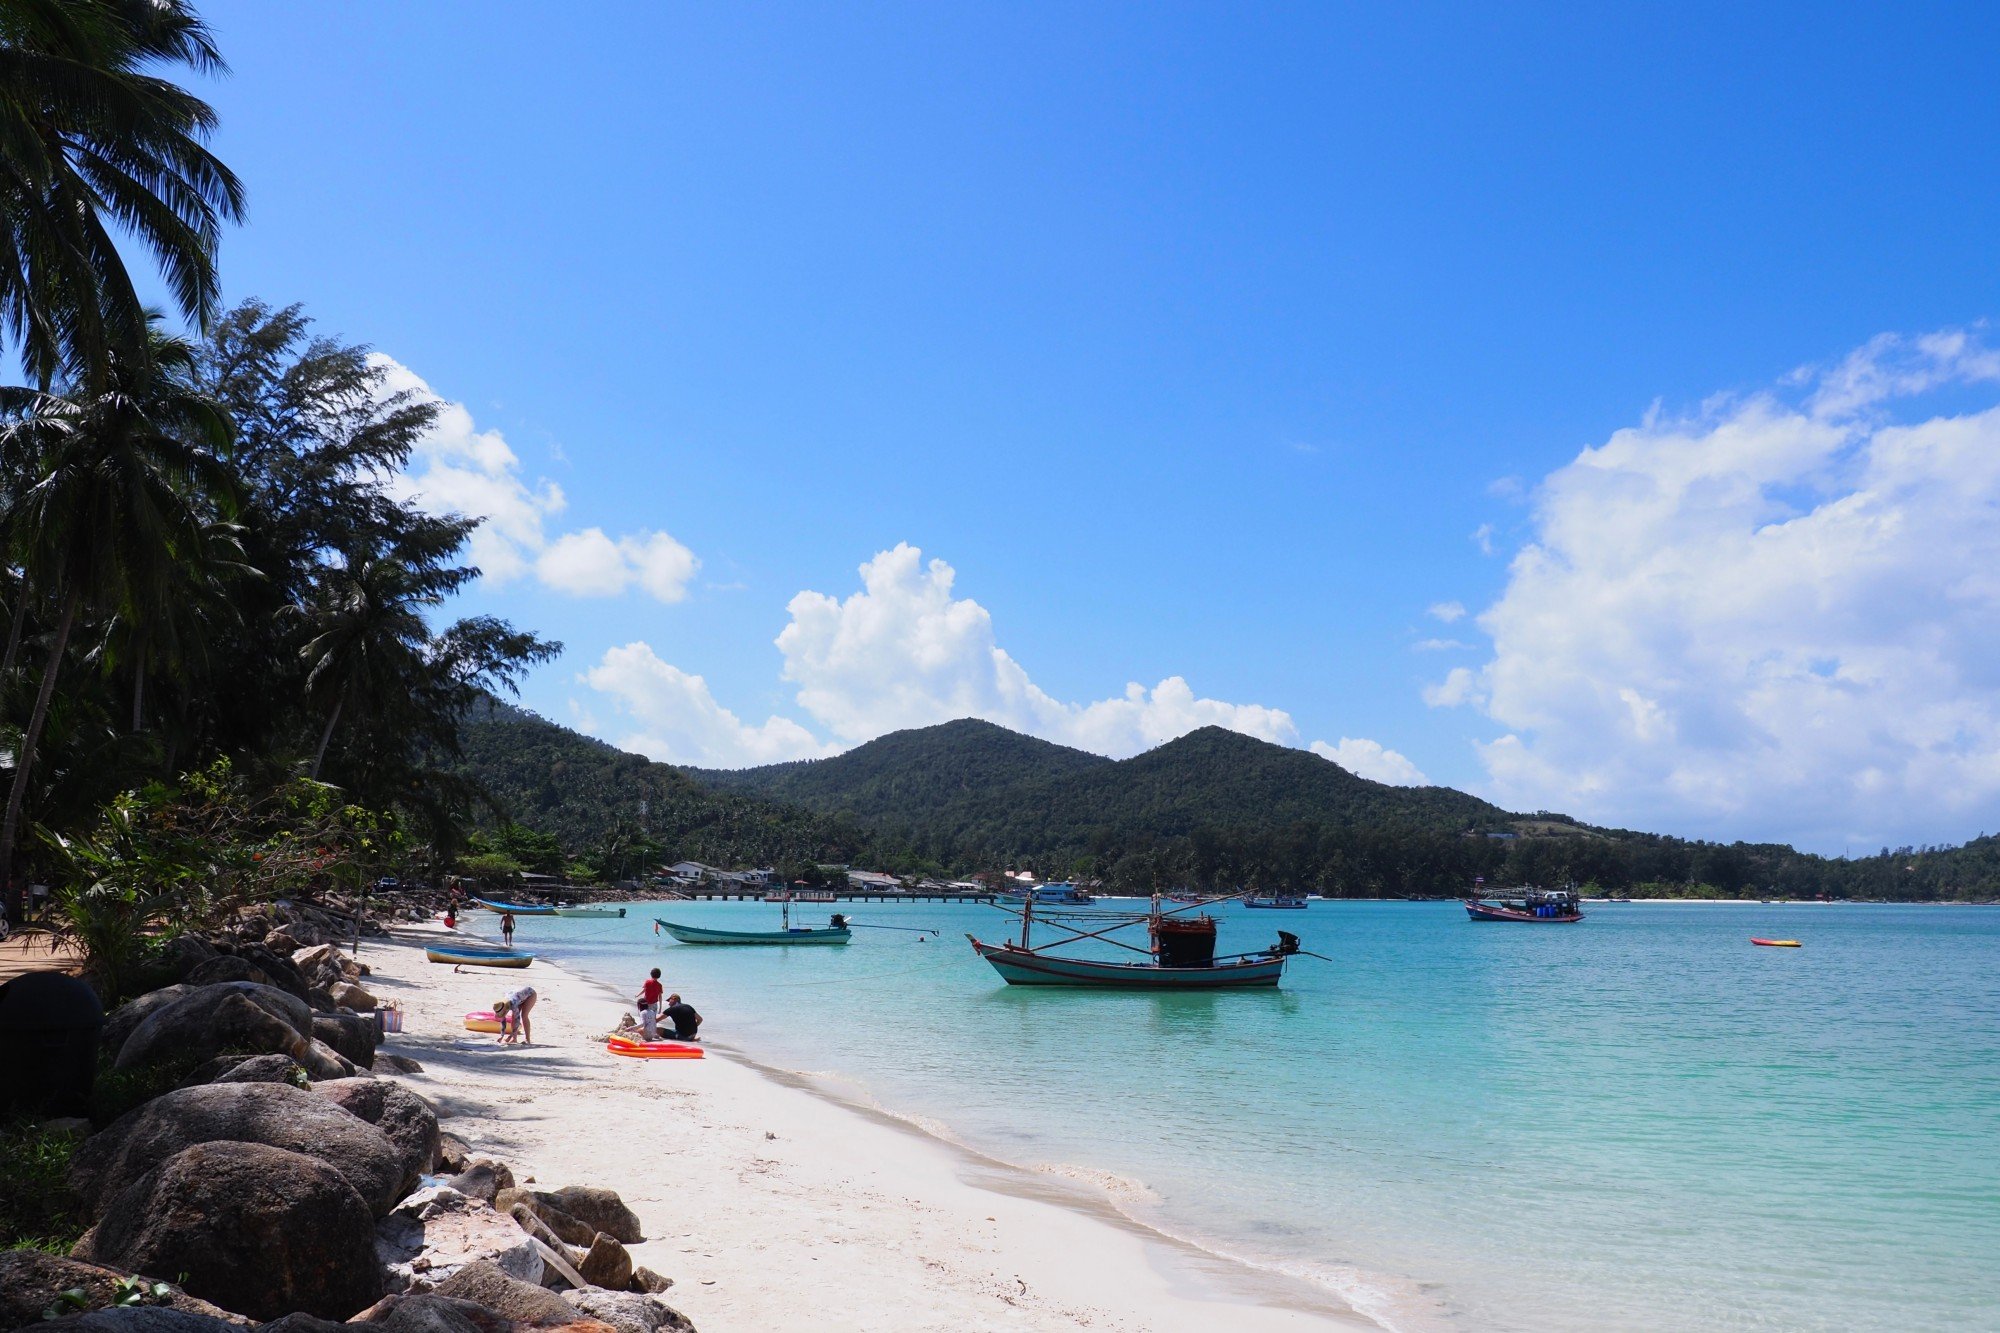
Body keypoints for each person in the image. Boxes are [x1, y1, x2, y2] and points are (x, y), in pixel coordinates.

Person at [636, 967, 664, 1041]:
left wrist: (638, 995)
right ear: (659, 976)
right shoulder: (659, 985)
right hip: (654, 1004)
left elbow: (644, 990)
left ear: (651, 974)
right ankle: (653, 1032)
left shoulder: (647, 982)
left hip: (646, 1003)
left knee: (644, 1017)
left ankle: (643, 1030)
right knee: (653, 1019)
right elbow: (660, 996)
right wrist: (661, 1007)